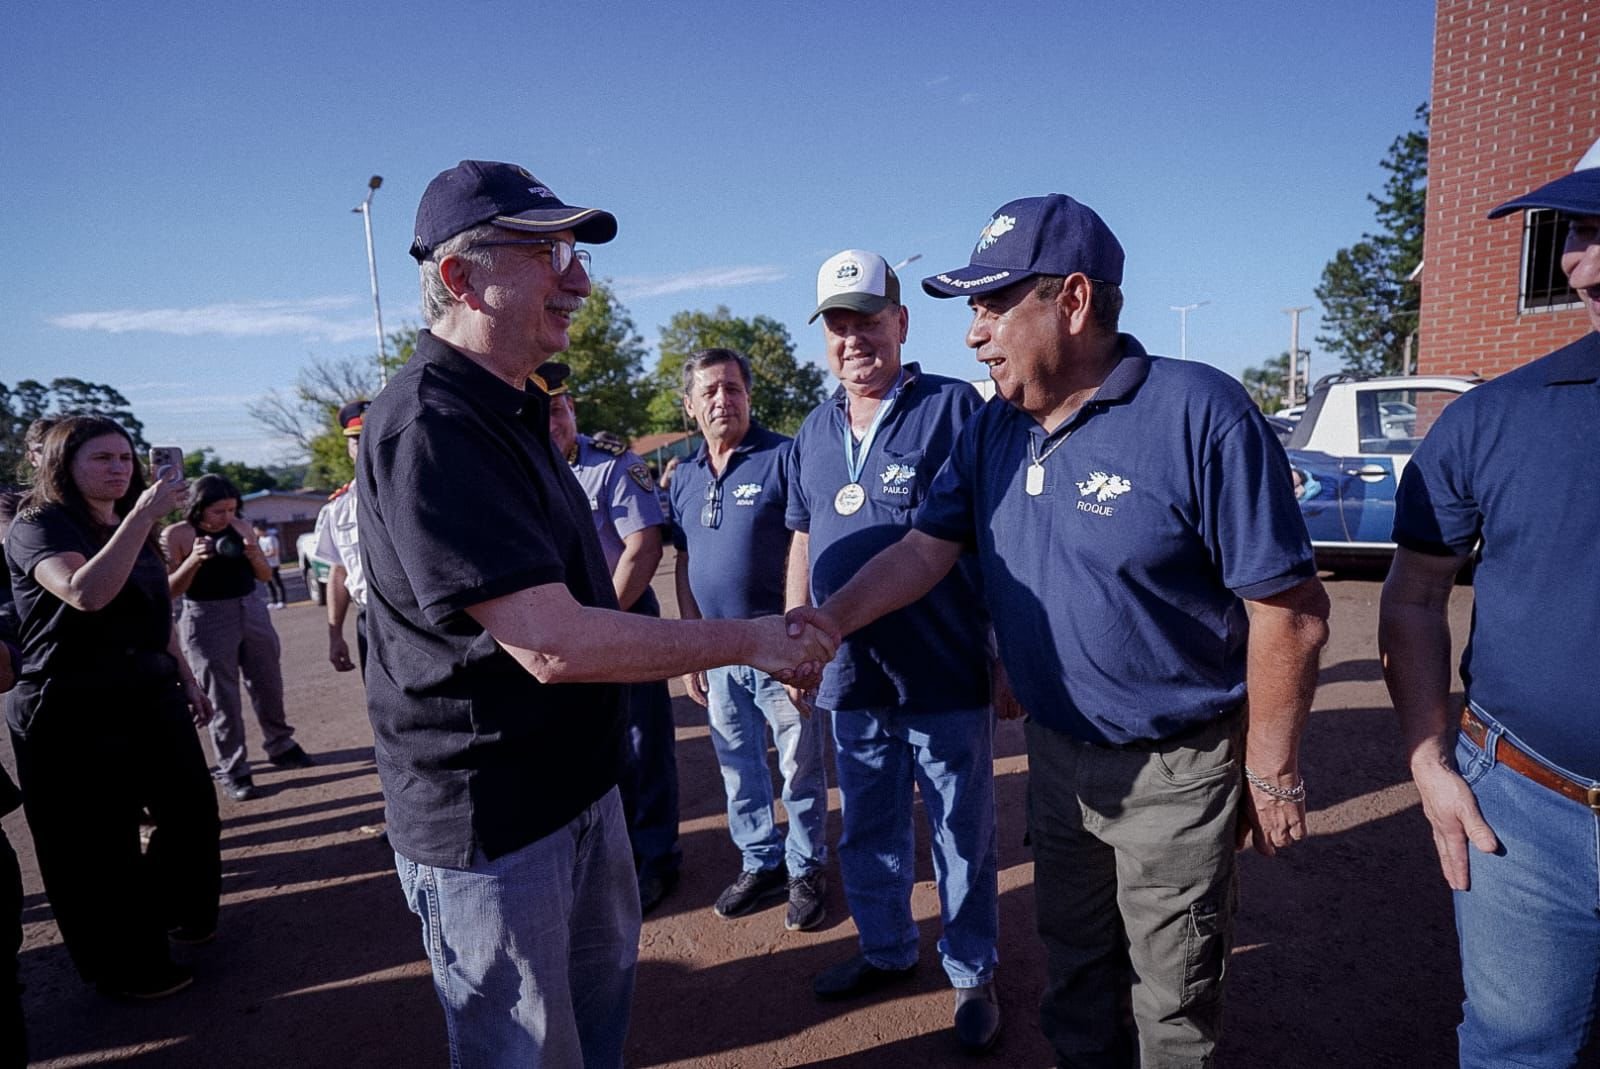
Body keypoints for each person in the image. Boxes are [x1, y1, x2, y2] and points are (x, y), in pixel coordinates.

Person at [791, 198, 1330, 1067]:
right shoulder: (995, 429)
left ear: (1073, 301)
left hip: (1174, 770)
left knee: (1173, 997)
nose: (974, 334)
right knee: (1075, 973)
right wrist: (830, 619)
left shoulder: (1200, 412)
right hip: (1055, 757)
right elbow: (926, 550)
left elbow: (1290, 612)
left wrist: (1272, 772)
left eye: (992, 306)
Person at [360, 158, 833, 1068]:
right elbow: (551, 644)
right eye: (547, 254)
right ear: (459, 276)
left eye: (575, 253)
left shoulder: (515, 409)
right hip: (495, 827)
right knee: (528, 1052)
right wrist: (750, 640)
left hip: (579, 792)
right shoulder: (432, 424)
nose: (578, 279)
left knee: (594, 1031)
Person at [1379, 136, 1600, 1068]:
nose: (1583, 263)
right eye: (1578, 231)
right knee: (1518, 1053)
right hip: (1527, 810)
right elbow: (1414, 594)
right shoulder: (1493, 416)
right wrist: (1430, 759)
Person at [786, 249, 1004, 1052]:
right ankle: (886, 947)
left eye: (869, 321)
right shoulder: (813, 431)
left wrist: (1006, 650)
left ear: (902, 323)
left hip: (943, 667)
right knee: (868, 827)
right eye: (839, 325)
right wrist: (795, 636)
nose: (854, 340)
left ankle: (972, 970)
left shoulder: (954, 409)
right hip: (851, 675)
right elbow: (802, 536)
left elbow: (998, 539)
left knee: (960, 831)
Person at [4, 415, 220, 1000]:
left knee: (192, 812)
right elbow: (86, 593)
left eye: (125, 457)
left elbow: (154, 606)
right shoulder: (38, 524)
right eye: (102, 458)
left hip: (149, 689)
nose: (119, 469)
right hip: (71, 704)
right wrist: (143, 516)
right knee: (97, 847)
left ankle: (173, 913)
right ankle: (125, 967)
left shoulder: (126, 522)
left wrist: (185, 675)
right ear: (62, 464)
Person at [671, 347, 830, 931]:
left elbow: (807, 547)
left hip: (777, 651)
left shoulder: (782, 457)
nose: (723, 400)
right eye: (709, 391)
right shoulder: (683, 477)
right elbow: (684, 561)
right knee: (738, 768)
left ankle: (806, 867)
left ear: (748, 396)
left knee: (799, 768)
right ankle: (760, 861)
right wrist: (692, 645)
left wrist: (797, 643)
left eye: (733, 388)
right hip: (716, 654)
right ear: (690, 406)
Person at [540, 362, 681, 915]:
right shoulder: (523, 469)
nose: (550, 421)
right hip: (562, 635)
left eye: (557, 409)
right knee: (582, 750)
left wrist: (600, 626)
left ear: (572, 409)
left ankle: (656, 859)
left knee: (643, 746)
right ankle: (604, 862)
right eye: (539, 411)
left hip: (621, 620)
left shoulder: (613, 463)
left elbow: (643, 549)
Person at [163, 474, 312, 802]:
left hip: (251, 608)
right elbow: (168, 590)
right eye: (218, 511)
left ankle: (281, 744)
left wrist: (254, 554)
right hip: (206, 617)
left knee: (268, 683)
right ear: (197, 507)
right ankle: (233, 768)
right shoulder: (178, 534)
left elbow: (265, 575)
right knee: (221, 697)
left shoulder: (241, 527)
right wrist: (193, 560)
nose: (226, 517)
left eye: (232, 509)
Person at [316, 401, 369, 676]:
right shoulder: (339, 508)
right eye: (356, 440)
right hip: (370, 618)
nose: (364, 447)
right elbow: (339, 572)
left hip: (418, 619)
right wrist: (335, 635)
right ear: (349, 448)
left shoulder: (418, 494)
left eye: (371, 436)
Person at [252, 522, 286, 608]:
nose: (255, 532)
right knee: (268, 584)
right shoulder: (260, 539)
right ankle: (273, 601)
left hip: (273, 564)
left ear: (261, 530)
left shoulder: (271, 538)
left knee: (276, 583)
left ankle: (282, 600)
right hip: (265, 564)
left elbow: (273, 552)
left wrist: (262, 555)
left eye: (256, 530)